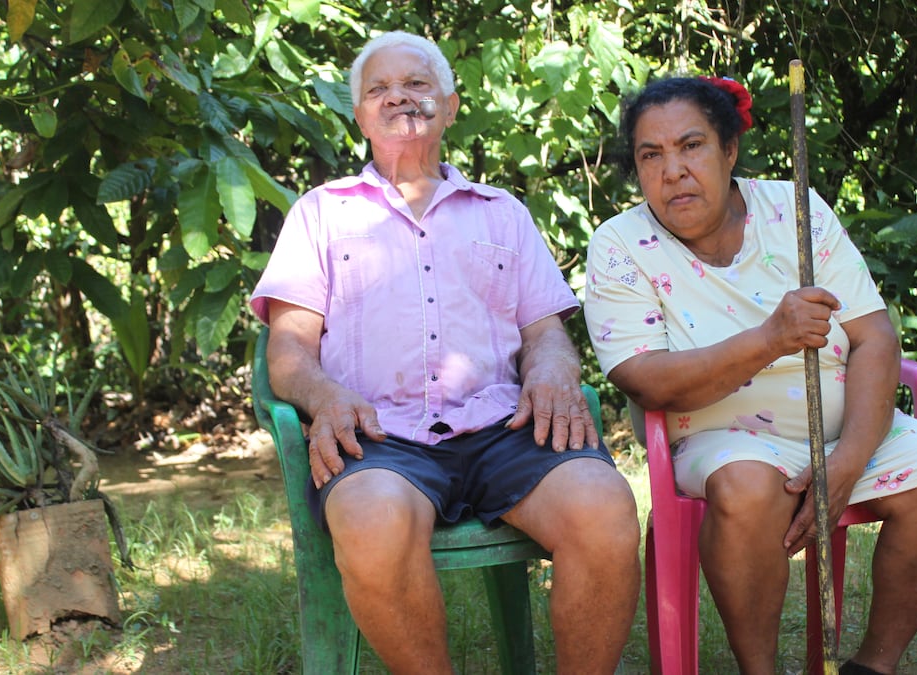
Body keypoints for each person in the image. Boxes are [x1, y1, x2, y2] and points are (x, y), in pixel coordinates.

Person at [250, 31, 640, 674]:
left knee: (603, 508)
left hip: (503, 428)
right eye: (379, 89)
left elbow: (546, 333)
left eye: (416, 84)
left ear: (451, 106)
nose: (398, 97)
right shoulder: (320, 214)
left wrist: (549, 370)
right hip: (378, 434)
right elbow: (288, 352)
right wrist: (325, 397)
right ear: (359, 116)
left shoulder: (502, 213)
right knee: (372, 522)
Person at [583, 76, 917, 675]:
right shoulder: (620, 245)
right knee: (746, 487)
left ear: (729, 150)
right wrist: (769, 339)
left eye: (691, 146)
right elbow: (646, 380)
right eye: (650, 155)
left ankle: (874, 665)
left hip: (844, 432)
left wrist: (846, 463)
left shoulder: (796, 211)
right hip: (720, 435)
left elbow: (873, 337)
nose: (673, 171)